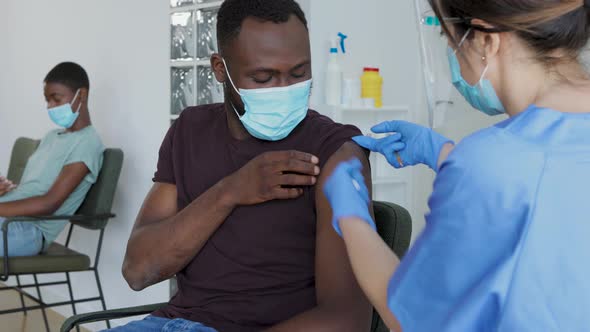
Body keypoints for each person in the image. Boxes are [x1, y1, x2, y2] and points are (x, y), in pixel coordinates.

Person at [324, 0, 590, 331]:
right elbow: (554, 189)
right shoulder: (503, 163)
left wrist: (353, 218)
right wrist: (444, 153)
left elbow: (410, 318)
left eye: (451, 43)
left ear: (487, 41)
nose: (454, 61)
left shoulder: (489, 163)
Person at [118, 0, 373, 331]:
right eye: (264, 77)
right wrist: (231, 190)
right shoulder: (189, 131)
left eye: (299, 73)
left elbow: (346, 320)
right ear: (220, 69)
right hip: (173, 323)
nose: (285, 90)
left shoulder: (335, 152)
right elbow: (138, 270)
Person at [0, 62, 104, 257]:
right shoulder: (51, 137)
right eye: (47, 100)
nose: (50, 106)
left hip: (29, 231)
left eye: (56, 99)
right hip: (9, 220)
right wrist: (8, 188)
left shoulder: (88, 143)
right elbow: (35, 186)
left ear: (81, 95)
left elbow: (49, 203)